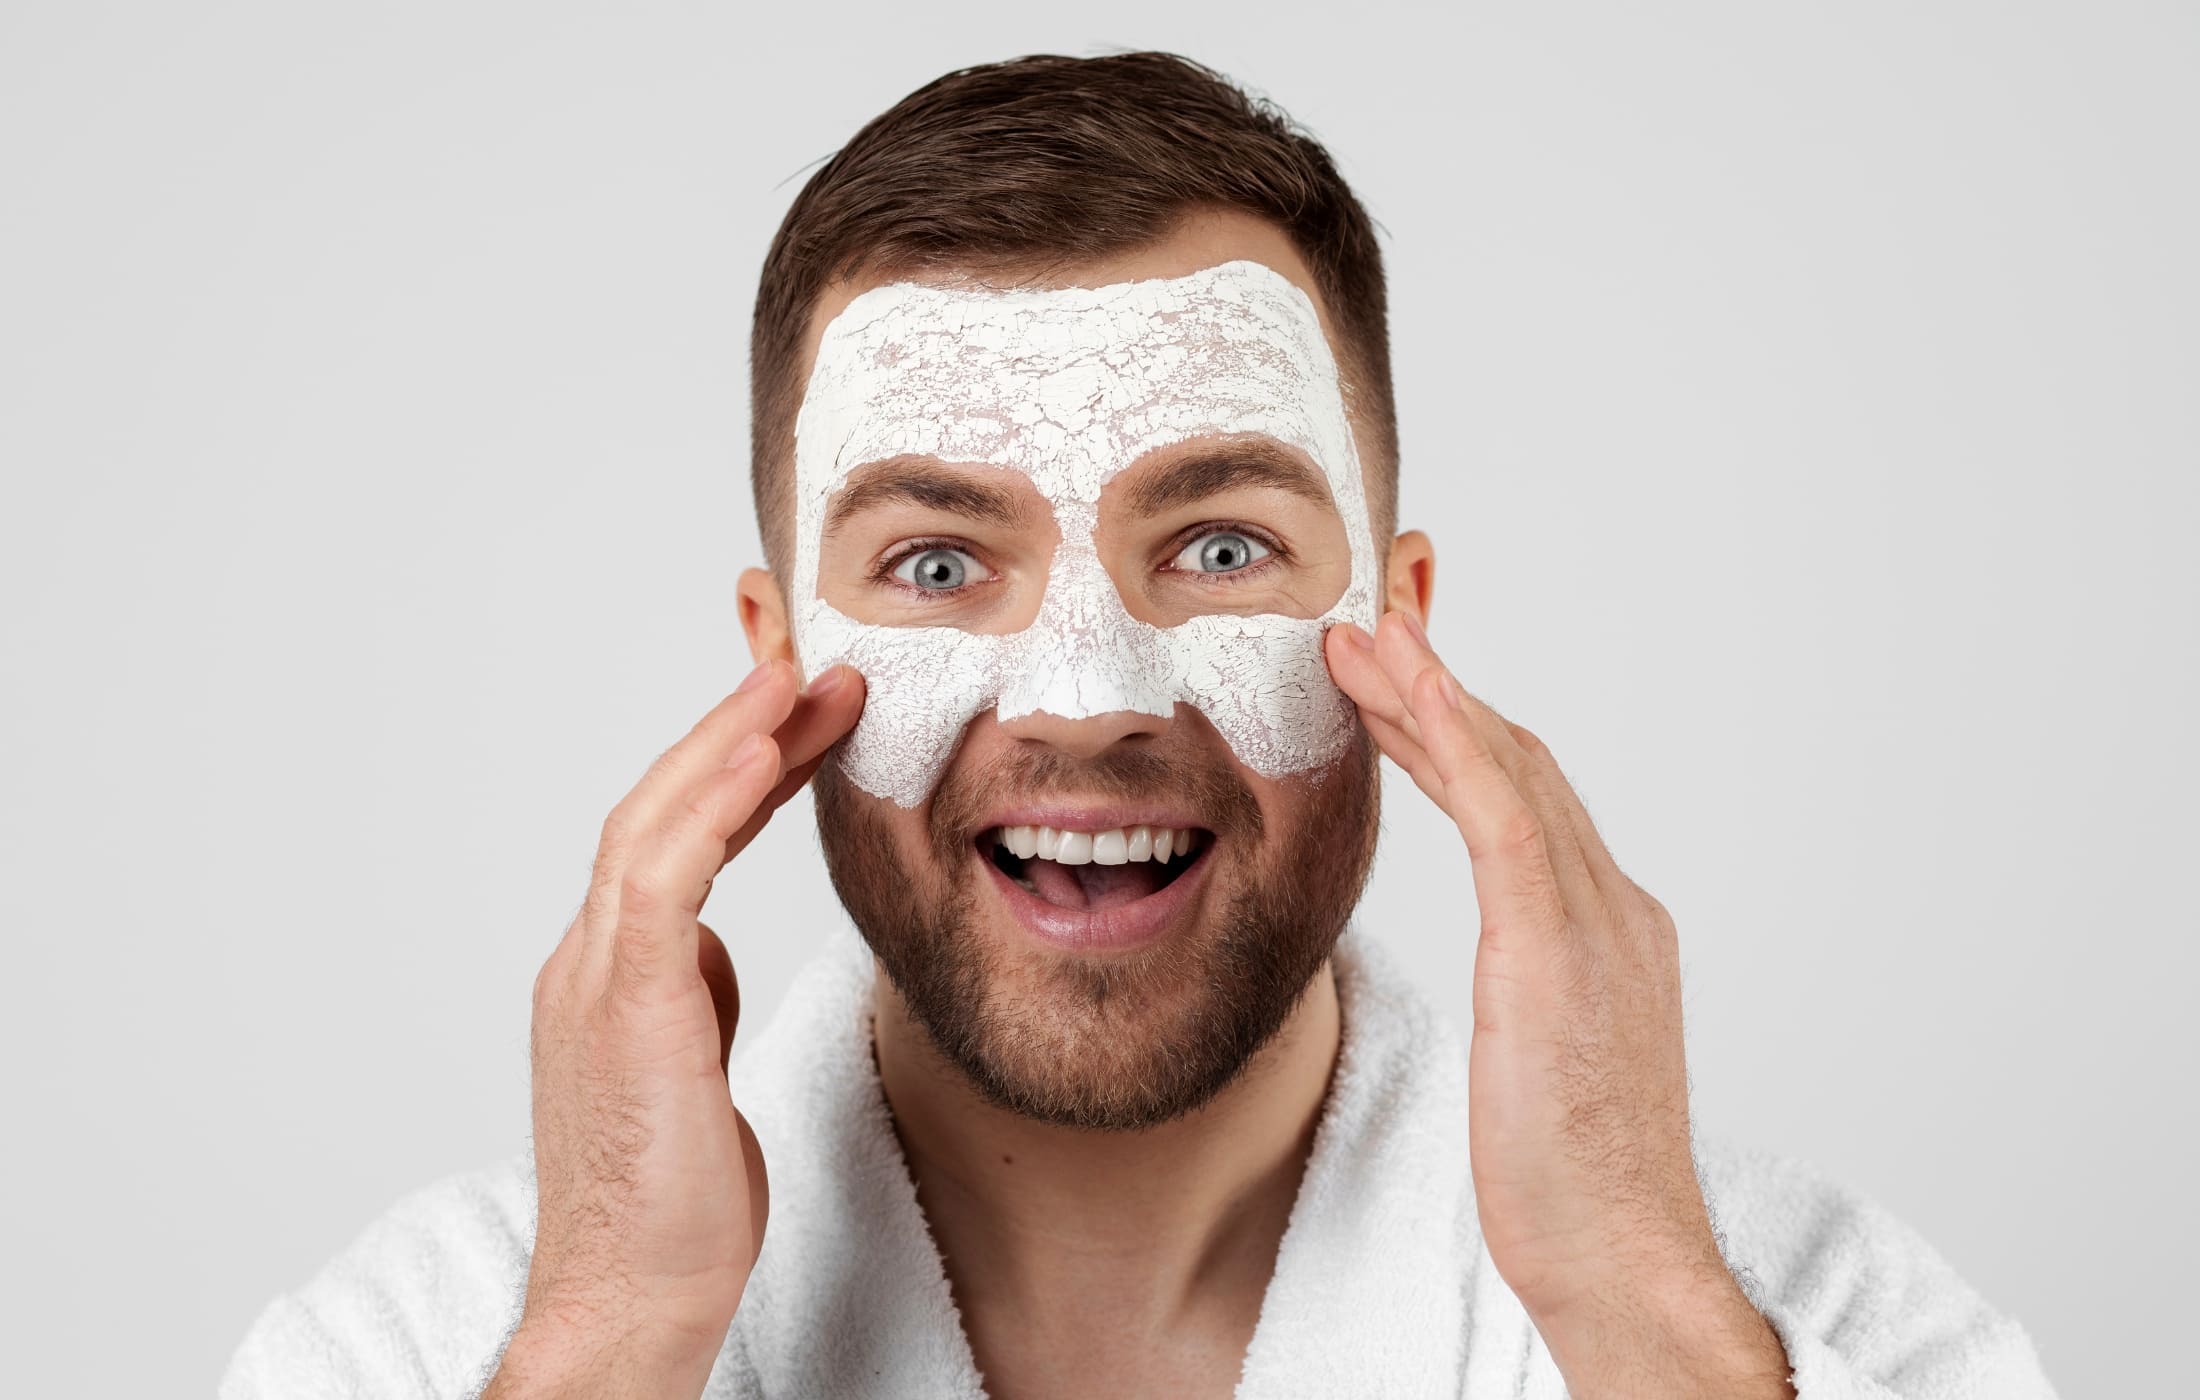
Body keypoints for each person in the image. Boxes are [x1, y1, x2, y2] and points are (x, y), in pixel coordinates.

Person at [220, 52, 2058, 1400]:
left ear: (1396, 620)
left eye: (1219, 544)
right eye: (940, 564)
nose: (1091, 698)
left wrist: (1634, 1308)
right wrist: (619, 1336)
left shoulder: (1786, 1321)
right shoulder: (433, 1340)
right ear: (772, 662)